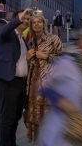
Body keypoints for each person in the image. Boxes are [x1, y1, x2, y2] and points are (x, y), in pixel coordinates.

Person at [24, 13, 63, 142]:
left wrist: (46, 56)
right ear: (31, 25)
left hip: (49, 81)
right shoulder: (30, 41)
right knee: (35, 114)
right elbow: (28, 64)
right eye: (34, 22)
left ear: (44, 24)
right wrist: (28, 58)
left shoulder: (53, 39)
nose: (36, 24)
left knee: (49, 113)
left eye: (39, 22)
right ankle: (39, 141)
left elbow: (62, 59)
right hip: (34, 81)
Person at [0, 8, 31, 146]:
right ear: (16, 20)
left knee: (15, 118)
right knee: (7, 119)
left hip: (21, 83)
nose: (26, 21)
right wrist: (19, 18)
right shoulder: (7, 34)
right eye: (24, 19)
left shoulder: (22, 40)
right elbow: (4, 30)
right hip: (9, 82)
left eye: (28, 19)